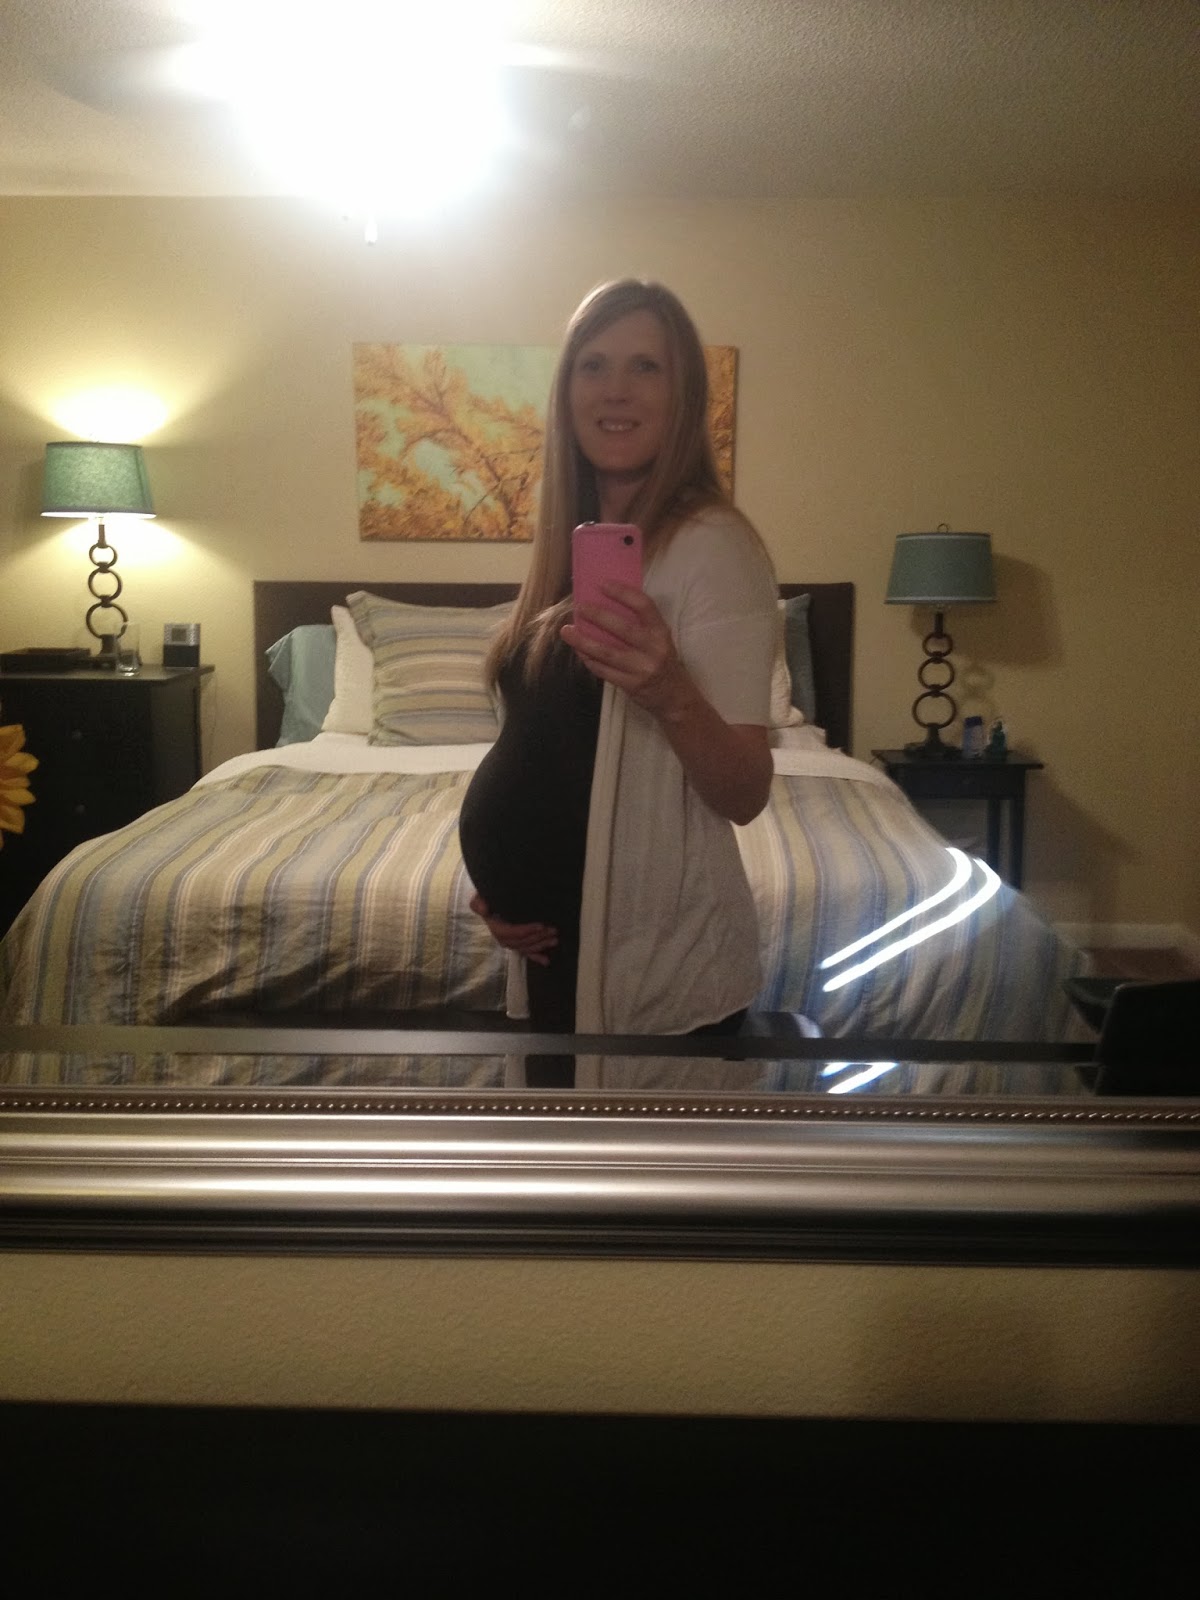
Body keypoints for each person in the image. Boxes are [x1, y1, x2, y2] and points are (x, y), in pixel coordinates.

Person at [457, 279, 778, 1068]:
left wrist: (671, 693)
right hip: (556, 948)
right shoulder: (577, 547)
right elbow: (546, 748)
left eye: (646, 367)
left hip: (650, 964)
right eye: (593, 365)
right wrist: (502, 886)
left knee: (632, 1153)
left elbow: (745, 793)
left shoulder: (713, 546)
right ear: (566, 389)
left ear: (683, 394)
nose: (616, 390)